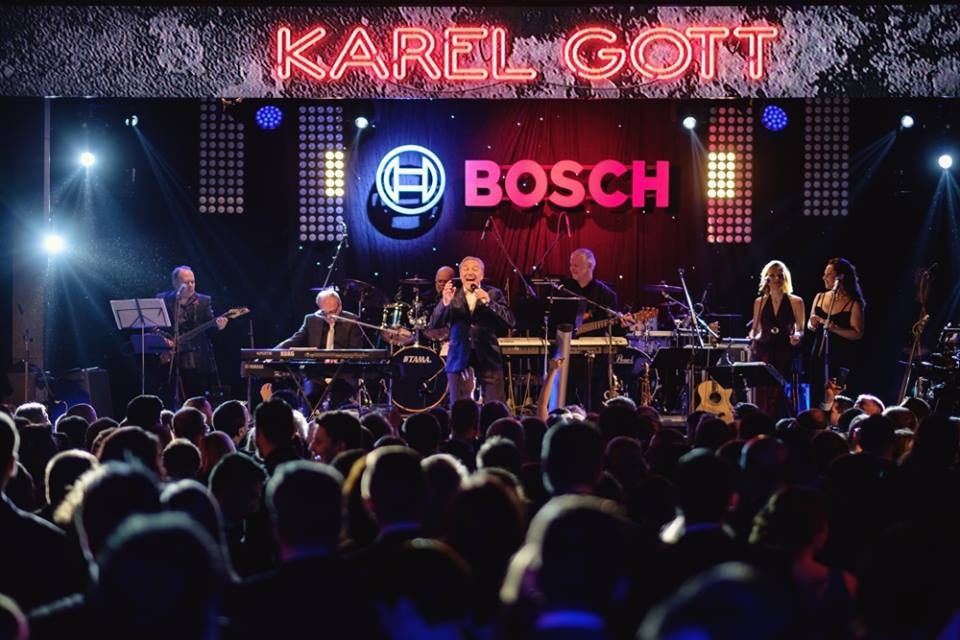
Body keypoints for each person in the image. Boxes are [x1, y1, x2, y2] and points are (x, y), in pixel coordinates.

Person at [429, 256, 515, 405]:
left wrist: (489, 303)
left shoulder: (493, 293)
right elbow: (434, 324)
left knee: (495, 407)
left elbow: (510, 321)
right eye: (466, 269)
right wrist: (445, 303)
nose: (470, 272)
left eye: (475, 269)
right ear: (460, 274)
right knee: (460, 409)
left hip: (488, 355)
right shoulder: (452, 294)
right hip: (459, 355)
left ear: (482, 274)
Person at [551, 248, 628, 411]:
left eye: (576, 265)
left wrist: (623, 324)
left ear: (590, 266)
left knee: (595, 399)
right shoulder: (563, 290)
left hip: (595, 359)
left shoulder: (606, 295)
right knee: (565, 398)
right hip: (567, 353)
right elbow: (553, 321)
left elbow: (616, 330)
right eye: (571, 265)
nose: (572, 269)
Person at [276, 289, 365, 411]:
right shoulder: (311, 319)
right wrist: (273, 352)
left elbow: (356, 351)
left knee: (337, 403)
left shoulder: (352, 321)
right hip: (317, 372)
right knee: (310, 398)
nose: (329, 316)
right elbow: (294, 339)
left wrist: (339, 358)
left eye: (333, 312)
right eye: (325, 312)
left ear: (340, 306)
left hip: (343, 373)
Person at [157, 265, 228, 406]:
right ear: (175, 283)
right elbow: (155, 325)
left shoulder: (203, 301)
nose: (191, 285)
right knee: (169, 395)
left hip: (194, 358)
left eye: (193, 282)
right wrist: (163, 340)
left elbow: (211, 327)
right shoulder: (163, 299)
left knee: (195, 397)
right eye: (186, 282)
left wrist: (219, 326)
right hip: (169, 355)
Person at [749, 260, 806, 418]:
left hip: (784, 351)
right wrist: (752, 337)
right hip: (764, 351)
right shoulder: (760, 302)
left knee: (778, 392)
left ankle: (782, 421)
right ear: (766, 278)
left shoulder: (796, 301)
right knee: (764, 392)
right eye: (772, 275)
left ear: (785, 277)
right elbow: (755, 329)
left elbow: (801, 329)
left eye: (780, 275)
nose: (776, 279)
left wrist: (796, 336)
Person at [807, 258, 865, 408]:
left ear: (840, 277)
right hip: (818, 355)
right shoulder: (820, 297)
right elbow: (810, 325)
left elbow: (858, 333)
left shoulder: (853, 303)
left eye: (828, 274)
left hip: (839, 357)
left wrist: (835, 328)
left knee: (835, 399)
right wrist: (812, 323)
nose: (824, 277)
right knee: (817, 395)